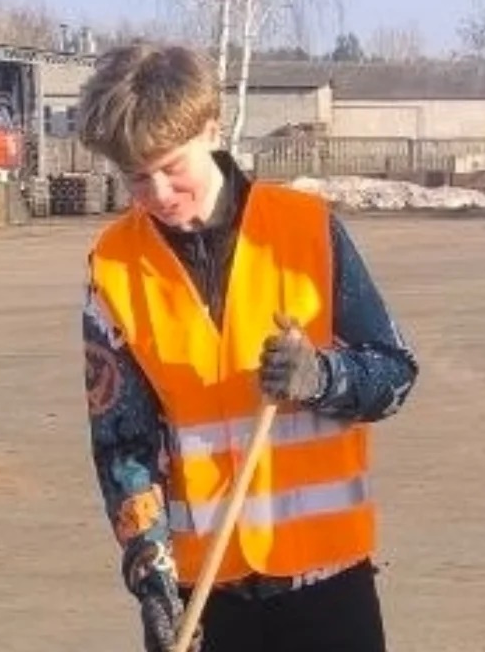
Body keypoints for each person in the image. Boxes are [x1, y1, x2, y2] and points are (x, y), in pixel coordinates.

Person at [74, 42, 419, 652]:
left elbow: (394, 373)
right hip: (206, 593)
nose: (159, 193)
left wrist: (324, 377)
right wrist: (152, 581)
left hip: (327, 582)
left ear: (212, 129)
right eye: (136, 177)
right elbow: (122, 446)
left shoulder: (306, 229)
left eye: (171, 166)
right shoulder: (113, 267)